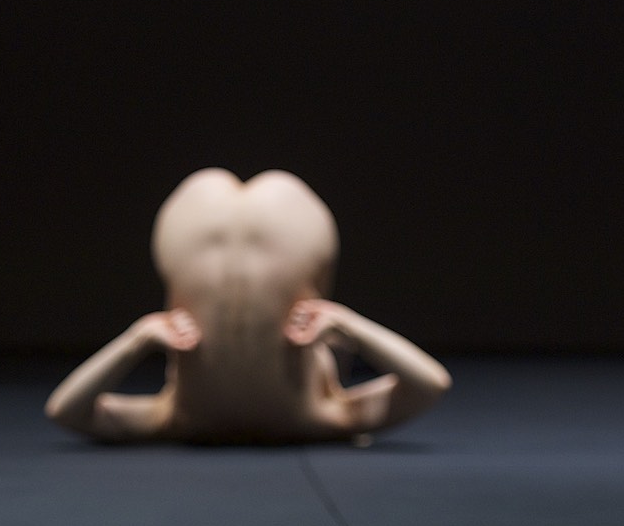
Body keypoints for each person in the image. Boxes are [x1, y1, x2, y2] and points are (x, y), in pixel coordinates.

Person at [46, 168, 451, 444]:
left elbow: (65, 410)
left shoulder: (176, 418)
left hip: (202, 222)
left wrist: (138, 339)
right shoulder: (322, 415)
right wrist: (347, 324)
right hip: (281, 224)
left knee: (216, 185)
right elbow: (430, 383)